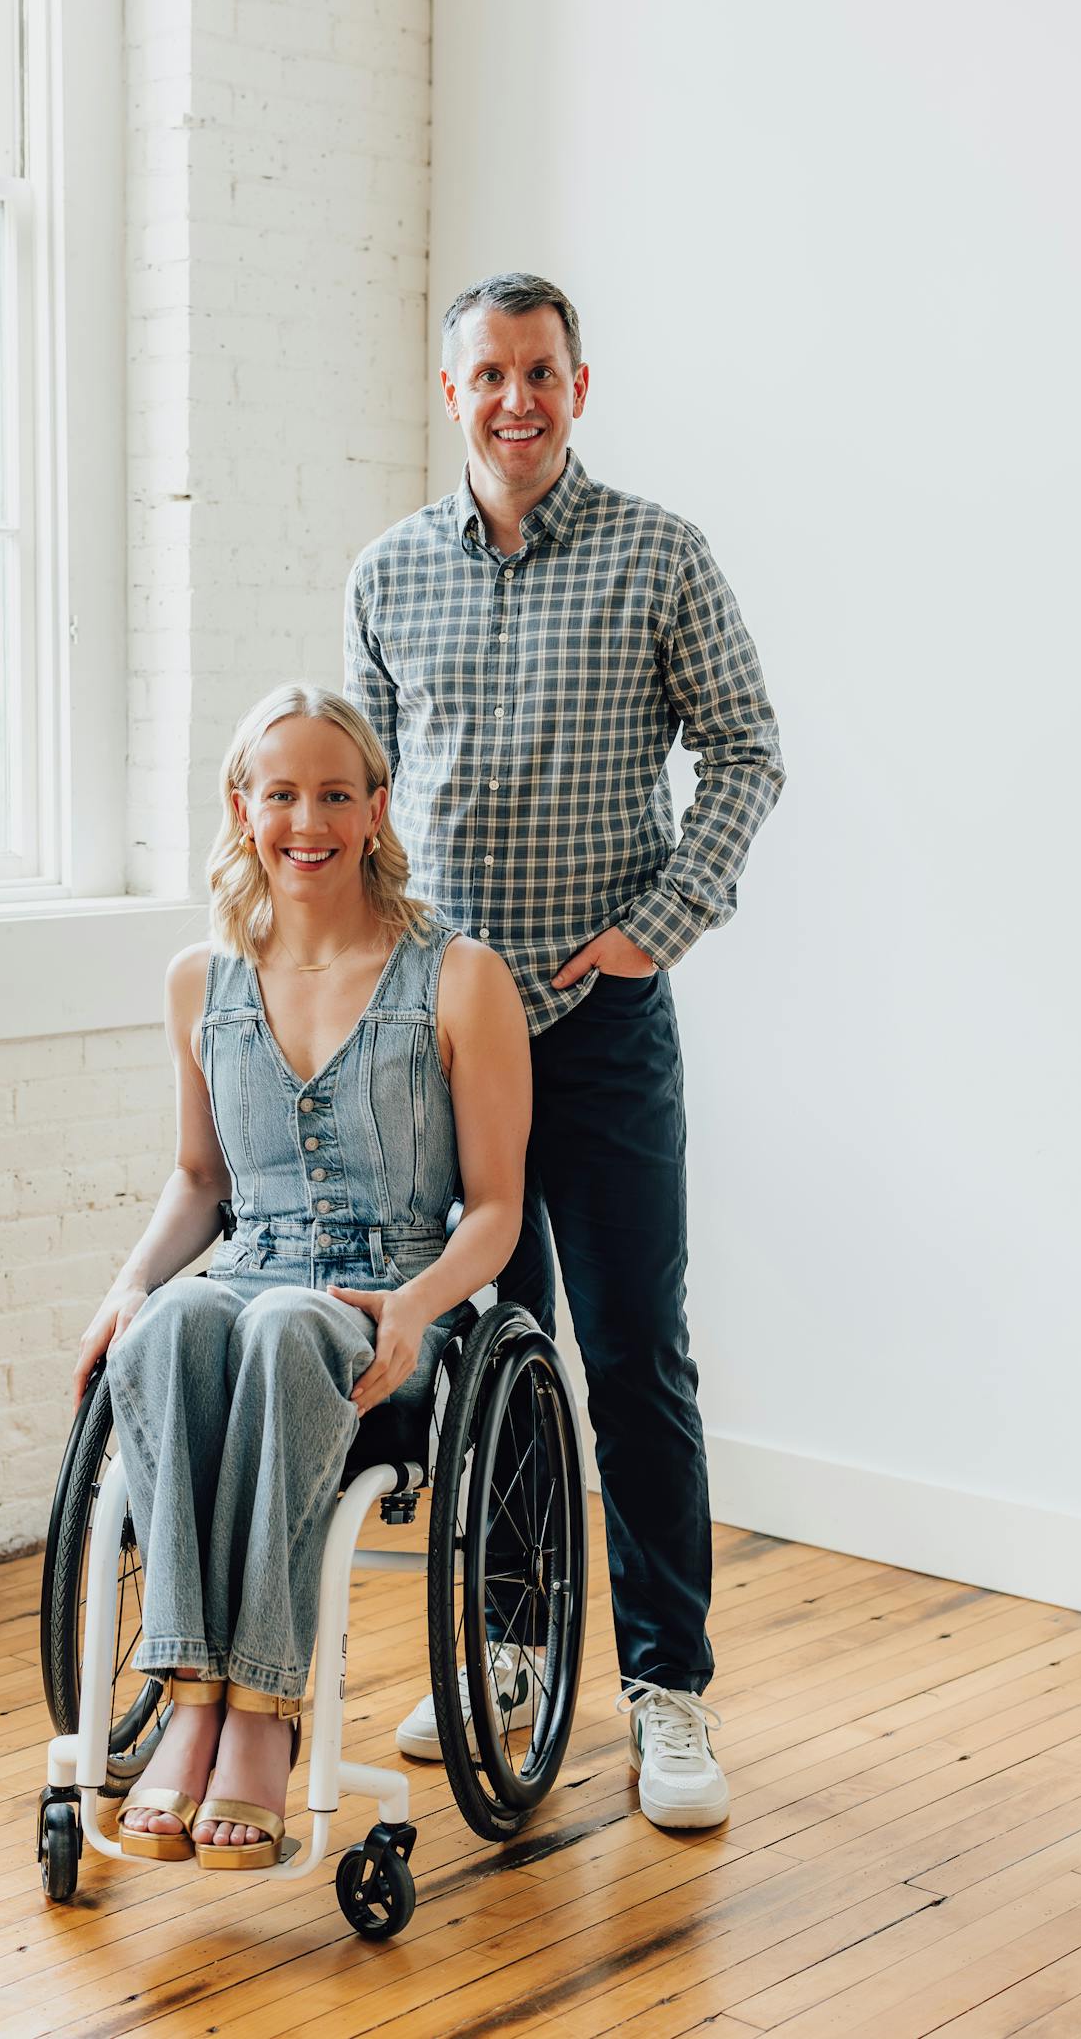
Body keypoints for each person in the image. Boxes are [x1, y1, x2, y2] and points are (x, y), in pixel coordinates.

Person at [345, 272, 786, 1830]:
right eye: (488, 376)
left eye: (541, 373)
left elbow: (747, 747)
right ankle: (516, 1655)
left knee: (632, 1363)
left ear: (578, 389)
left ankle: (671, 1690)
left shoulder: (661, 555)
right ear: (448, 390)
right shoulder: (387, 575)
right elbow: (371, 811)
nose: (515, 400)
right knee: (485, 1360)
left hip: (600, 1036)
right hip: (450, 1043)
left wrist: (660, 925)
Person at [72, 684, 530, 1869]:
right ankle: (191, 1697)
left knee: (283, 1326)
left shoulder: (459, 976)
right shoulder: (200, 979)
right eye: (282, 794)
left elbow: (493, 1214)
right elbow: (197, 1181)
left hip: (392, 1299)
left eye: (335, 793)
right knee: (170, 1330)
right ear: (243, 808)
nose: (307, 819)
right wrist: (127, 1289)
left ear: (376, 808)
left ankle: (262, 1715)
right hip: (252, 1281)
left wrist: (416, 1307)